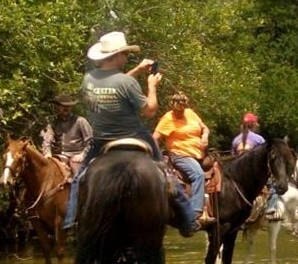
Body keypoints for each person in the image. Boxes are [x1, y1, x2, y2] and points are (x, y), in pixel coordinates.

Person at [60, 31, 196, 236]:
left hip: (101, 139)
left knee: (80, 177)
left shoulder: (88, 79)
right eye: (124, 54)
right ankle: (188, 220)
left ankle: (70, 221)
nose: (126, 57)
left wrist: (138, 70)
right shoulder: (127, 83)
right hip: (134, 135)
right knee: (166, 175)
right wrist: (151, 87)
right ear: (115, 57)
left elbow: (114, 84)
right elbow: (149, 111)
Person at [154, 92, 210, 228]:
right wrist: (157, 157)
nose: (181, 111)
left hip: (199, 153)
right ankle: (194, 213)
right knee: (198, 175)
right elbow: (155, 138)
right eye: (178, 109)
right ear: (172, 106)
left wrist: (205, 137)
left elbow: (204, 128)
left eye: (182, 108)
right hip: (180, 155)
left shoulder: (190, 113)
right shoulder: (168, 119)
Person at [39, 93, 92, 177]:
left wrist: (82, 155)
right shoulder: (53, 122)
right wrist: (47, 153)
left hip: (76, 154)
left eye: (68, 106)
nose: (66, 108)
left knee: (78, 176)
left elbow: (91, 141)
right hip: (59, 155)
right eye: (63, 106)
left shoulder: (80, 121)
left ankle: (78, 189)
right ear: (58, 107)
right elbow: (47, 140)